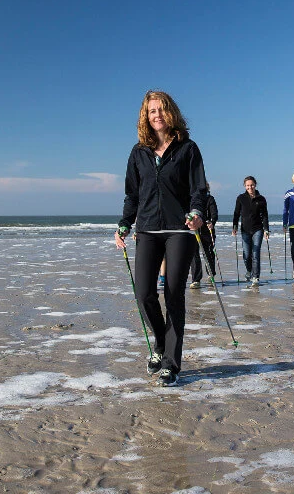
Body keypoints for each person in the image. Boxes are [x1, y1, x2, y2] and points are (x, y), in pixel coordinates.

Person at [114, 90, 207, 387]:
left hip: (180, 230)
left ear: (171, 113)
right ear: (146, 116)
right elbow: (132, 194)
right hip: (148, 230)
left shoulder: (188, 148)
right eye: (151, 111)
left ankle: (171, 363)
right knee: (144, 293)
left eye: (161, 110)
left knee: (174, 294)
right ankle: (160, 342)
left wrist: (196, 212)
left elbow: (198, 189)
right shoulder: (138, 152)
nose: (157, 115)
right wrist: (125, 224)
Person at [232, 176, 270, 285]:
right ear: (245, 186)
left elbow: (265, 216)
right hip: (245, 230)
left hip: (258, 229)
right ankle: (249, 270)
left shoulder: (261, 199)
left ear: (255, 185)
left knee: (256, 253)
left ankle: (256, 277)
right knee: (247, 255)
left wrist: (266, 230)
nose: (250, 187)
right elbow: (236, 213)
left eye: (252, 185)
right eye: (248, 185)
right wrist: (234, 226)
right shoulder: (241, 198)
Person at [189, 182, 218, 288]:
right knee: (194, 254)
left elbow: (214, 212)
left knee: (208, 253)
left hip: (206, 230)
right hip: (194, 230)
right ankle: (196, 279)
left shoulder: (210, 199)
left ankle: (211, 274)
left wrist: (212, 221)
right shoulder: (191, 198)